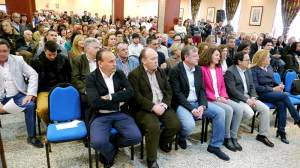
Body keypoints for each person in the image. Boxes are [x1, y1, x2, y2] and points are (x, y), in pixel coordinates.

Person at [169, 46, 230, 161]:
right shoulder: (175, 70)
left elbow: (202, 90)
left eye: (197, 54)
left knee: (220, 112)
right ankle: (182, 136)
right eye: (195, 55)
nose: (198, 57)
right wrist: (192, 109)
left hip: (197, 102)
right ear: (186, 57)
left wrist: (202, 105)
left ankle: (214, 146)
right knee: (189, 125)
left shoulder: (198, 69)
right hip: (182, 103)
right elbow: (177, 94)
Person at [86, 49, 141, 167]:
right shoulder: (91, 78)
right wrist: (120, 99)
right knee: (97, 143)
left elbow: (131, 93)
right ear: (100, 63)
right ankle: (110, 152)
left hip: (121, 113)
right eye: (111, 61)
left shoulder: (119, 74)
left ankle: (111, 145)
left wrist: (111, 97)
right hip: (101, 115)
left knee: (136, 137)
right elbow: (95, 102)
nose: (115, 63)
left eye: (114, 61)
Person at [128, 48, 180, 168]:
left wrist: (164, 104)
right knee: (153, 126)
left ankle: (162, 142)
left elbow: (168, 91)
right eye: (153, 59)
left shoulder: (160, 71)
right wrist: (153, 107)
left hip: (162, 105)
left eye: (156, 58)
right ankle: (151, 160)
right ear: (143, 61)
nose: (156, 61)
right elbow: (136, 97)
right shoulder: (134, 75)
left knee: (175, 124)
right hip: (144, 109)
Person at [224, 52, 274, 147]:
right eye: (247, 60)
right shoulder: (230, 71)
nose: (249, 61)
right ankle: (231, 128)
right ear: (239, 61)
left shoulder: (247, 70)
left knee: (265, 109)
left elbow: (252, 86)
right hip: (237, 98)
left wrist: (253, 97)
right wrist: (247, 100)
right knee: (249, 113)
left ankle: (262, 135)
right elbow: (232, 90)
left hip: (249, 97)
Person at [250, 49, 300, 144]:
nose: (270, 58)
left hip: (272, 93)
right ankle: (297, 119)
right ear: (262, 59)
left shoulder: (269, 67)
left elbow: (272, 81)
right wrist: (273, 89)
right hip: (261, 94)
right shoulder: (254, 70)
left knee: (282, 104)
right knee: (284, 96)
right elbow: (256, 87)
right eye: (268, 57)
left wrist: (279, 85)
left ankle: (281, 131)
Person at [0, 39, 43, 148]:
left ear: (9, 50)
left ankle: (31, 137)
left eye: (4, 50)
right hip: (1, 97)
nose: (2, 53)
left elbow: (33, 74)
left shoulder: (18, 60)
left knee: (30, 105)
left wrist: (30, 94)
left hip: (17, 95)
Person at [200, 47, 244, 152]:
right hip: (210, 98)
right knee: (228, 109)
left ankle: (233, 136)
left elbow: (223, 86)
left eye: (219, 56)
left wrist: (223, 96)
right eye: (216, 55)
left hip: (220, 96)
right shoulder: (202, 69)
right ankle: (226, 137)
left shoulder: (218, 69)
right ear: (209, 55)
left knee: (239, 108)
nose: (219, 57)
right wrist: (216, 98)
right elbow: (202, 88)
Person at [31, 41, 72, 124]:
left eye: (54, 54)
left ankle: (64, 123)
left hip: (61, 88)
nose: (52, 57)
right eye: (49, 55)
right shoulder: (36, 61)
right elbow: (32, 80)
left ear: (57, 51)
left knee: (68, 106)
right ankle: (50, 124)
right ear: (44, 51)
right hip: (44, 90)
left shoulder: (64, 59)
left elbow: (69, 76)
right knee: (42, 109)